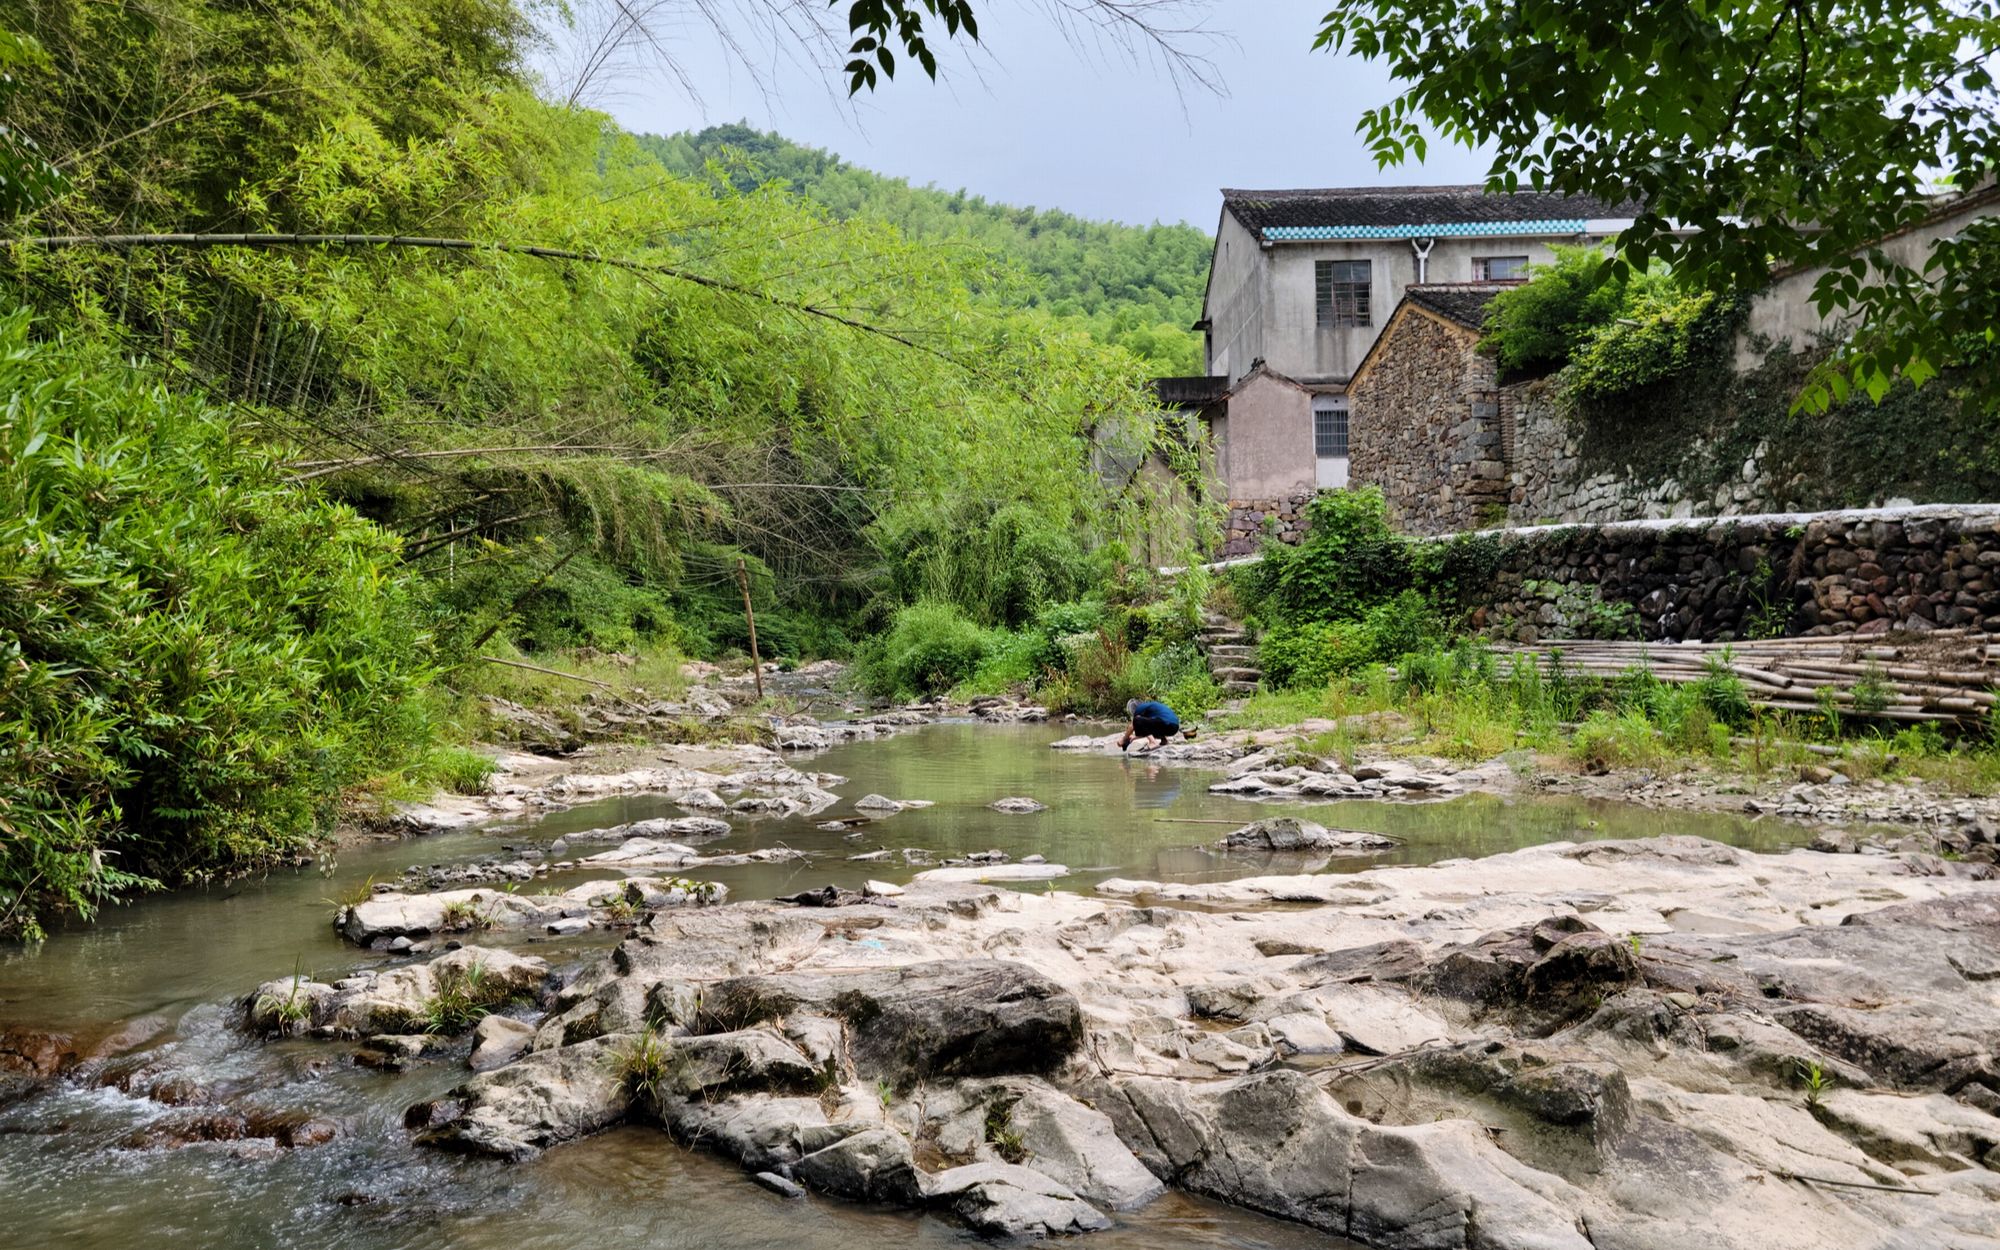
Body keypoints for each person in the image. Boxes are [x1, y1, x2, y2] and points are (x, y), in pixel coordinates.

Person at [1120, 697, 1195, 752]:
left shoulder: (1139, 708)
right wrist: (1134, 738)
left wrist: (1123, 739)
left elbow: (1132, 725)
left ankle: (1153, 742)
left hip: (1166, 723)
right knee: (1150, 724)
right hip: (1174, 727)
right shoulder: (1150, 708)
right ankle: (1164, 740)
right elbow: (1148, 730)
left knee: (1137, 720)